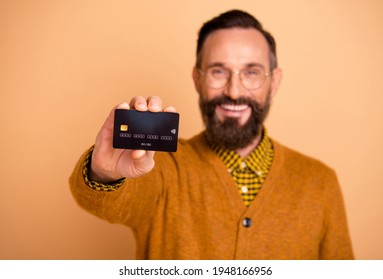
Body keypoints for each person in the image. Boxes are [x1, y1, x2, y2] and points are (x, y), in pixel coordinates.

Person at [69, 9, 354, 260]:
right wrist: (105, 173)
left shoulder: (321, 183)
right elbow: (114, 203)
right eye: (219, 71)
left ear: (274, 81)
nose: (234, 91)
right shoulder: (160, 168)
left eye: (252, 72)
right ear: (197, 78)